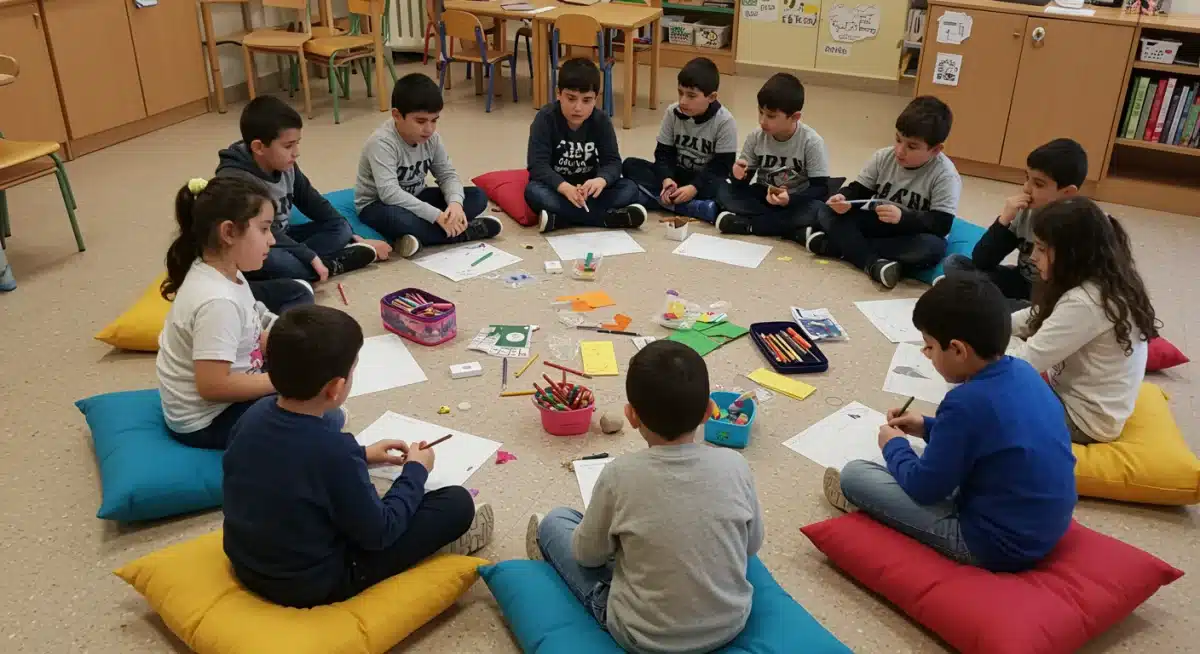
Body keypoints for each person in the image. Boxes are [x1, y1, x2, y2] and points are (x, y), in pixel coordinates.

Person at [223, 305, 493, 608]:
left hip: (246, 563)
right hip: (311, 584)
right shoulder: (334, 452)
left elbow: (284, 465)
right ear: (337, 388)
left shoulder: (254, 415)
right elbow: (380, 532)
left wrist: (361, 455)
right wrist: (416, 471)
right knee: (455, 503)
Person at [824, 274, 1076, 573]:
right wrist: (927, 426)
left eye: (929, 346)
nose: (925, 354)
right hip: (1046, 526)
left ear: (957, 349)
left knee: (855, 475)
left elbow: (923, 488)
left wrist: (894, 446)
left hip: (994, 545)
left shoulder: (965, 402)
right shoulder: (1023, 371)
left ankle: (877, 513)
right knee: (928, 460)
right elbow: (988, 436)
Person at [526, 340, 763, 653]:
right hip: (730, 623)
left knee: (557, 522)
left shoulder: (618, 474)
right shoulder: (735, 464)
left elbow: (587, 556)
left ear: (632, 416)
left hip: (643, 637)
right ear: (708, 411)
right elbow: (752, 544)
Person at [1008, 196, 1159, 444]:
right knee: (1000, 341)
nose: (1033, 256)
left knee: (984, 395)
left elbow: (1025, 363)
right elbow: (1036, 316)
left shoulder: (1086, 302)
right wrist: (993, 325)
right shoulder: (1100, 279)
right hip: (1077, 400)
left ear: (1072, 254)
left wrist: (973, 355)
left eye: (1042, 249)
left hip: (1082, 421)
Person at [156, 176, 286, 449]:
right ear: (228, 233)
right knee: (320, 415)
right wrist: (284, 380)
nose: (272, 239)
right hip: (207, 420)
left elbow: (248, 333)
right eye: (263, 229)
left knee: (316, 366)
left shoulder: (227, 270)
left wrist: (284, 346)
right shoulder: (217, 302)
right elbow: (213, 387)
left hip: (232, 387)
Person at [216, 96, 385, 284]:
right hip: (255, 245)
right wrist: (308, 255)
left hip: (284, 237)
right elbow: (254, 234)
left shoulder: (285, 165)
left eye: (297, 143)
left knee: (340, 227)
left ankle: (310, 264)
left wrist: (351, 234)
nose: (296, 152)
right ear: (259, 147)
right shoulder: (235, 179)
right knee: (274, 262)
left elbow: (313, 203)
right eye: (288, 145)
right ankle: (330, 264)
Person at [807, 96, 961, 289]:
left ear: (936, 150)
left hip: (912, 232)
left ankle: (839, 247)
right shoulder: (883, 157)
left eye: (911, 146)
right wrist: (843, 198)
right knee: (826, 210)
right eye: (898, 140)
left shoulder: (945, 175)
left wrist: (904, 218)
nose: (899, 150)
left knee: (932, 249)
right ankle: (873, 263)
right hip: (879, 223)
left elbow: (941, 224)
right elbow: (859, 189)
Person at [356, 73, 503, 259]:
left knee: (477, 196)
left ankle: (421, 236)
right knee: (398, 219)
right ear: (397, 115)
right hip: (379, 206)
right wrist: (437, 216)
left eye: (434, 120)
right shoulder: (381, 143)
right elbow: (389, 194)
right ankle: (467, 232)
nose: (429, 129)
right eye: (420, 121)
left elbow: (447, 175)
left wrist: (455, 204)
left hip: (416, 196)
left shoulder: (432, 138)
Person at [942, 138, 1086, 308]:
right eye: (1027, 179)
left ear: (1067, 193)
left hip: (1051, 296)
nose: (1026, 188)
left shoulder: (1077, 227)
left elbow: (1073, 290)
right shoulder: (1025, 211)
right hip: (1021, 282)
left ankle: (989, 304)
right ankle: (986, 303)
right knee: (954, 263)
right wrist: (1004, 220)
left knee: (1035, 310)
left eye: (1038, 184)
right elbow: (982, 261)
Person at [525, 58, 647, 233]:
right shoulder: (545, 118)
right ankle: (606, 219)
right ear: (558, 94)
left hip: (590, 190)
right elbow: (537, 166)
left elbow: (612, 162)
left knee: (629, 189)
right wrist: (564, 187)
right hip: (558, 188)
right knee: (533, 191)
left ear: (596, 98)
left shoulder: (601, 120)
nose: (578, 107)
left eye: (586, 100)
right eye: (571, 98)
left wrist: (601, 180)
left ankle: (562, 219)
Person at [620, 57, 736, 223]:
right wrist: (667, 179)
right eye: (680, 93)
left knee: (727, 188)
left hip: (704, 180)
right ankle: (692, 207)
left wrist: (693, 188)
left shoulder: (725, 121)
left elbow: (722, 167)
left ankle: (654, 200)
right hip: (677, 176)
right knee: (630, 165)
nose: (683, 101)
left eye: (691, 96)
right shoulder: (672, 112)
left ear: (711, 97)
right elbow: (662, 154)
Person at [715, 73, 830, 239]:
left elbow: (821, 188)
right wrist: (738, 175)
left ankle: (750, 225)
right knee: (724, 190)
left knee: (819, 210)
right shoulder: (756, 137)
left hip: (795, 200)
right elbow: (742, 183)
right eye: (760, 112)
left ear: (795, 117)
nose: (762, 121)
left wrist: (789, 199)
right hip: (763, 195)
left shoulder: (811, 142)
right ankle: (792, 231)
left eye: (771, 116)